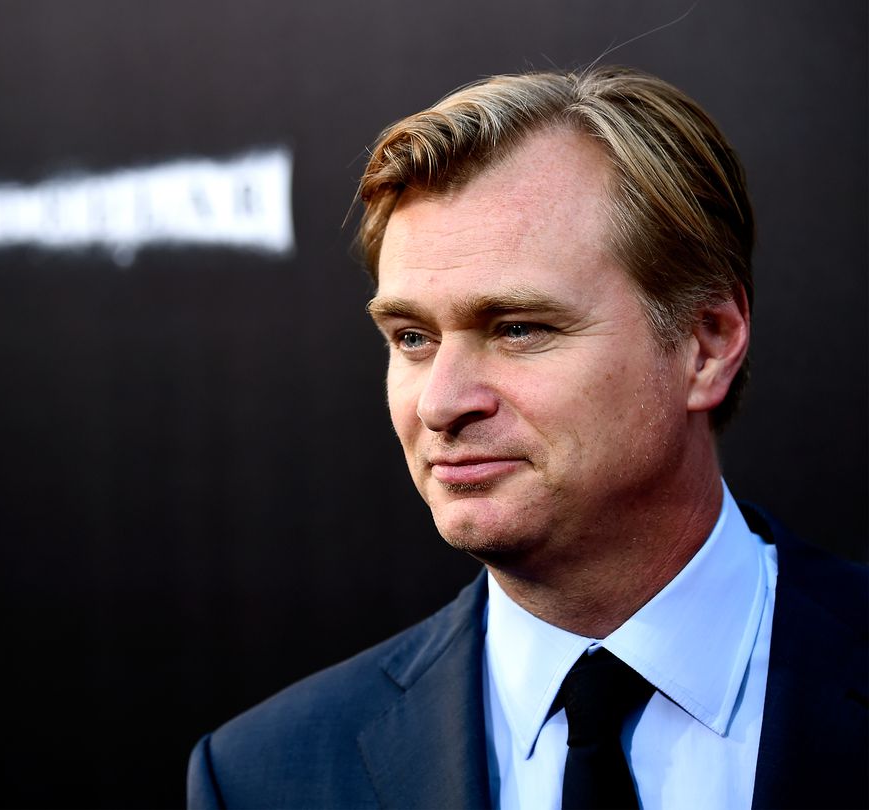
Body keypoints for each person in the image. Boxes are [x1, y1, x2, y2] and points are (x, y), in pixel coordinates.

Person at [186, 67, 867, 809]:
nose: (441, 403)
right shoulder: (264, 777)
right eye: (412, 337)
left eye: (517, 329)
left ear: (706, 344)